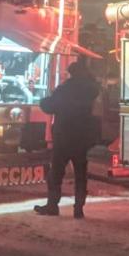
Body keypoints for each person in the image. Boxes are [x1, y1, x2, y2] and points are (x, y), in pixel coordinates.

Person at [34, 57, 100, 219]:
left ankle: (52, 205)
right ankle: (78, 209)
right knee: (80, 175)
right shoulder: (91, 90)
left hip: (64, 136)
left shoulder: (65, 89)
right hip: (82, 138)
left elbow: (49, 106)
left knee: (56, 173)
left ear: (72, 73)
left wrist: (43, 100)